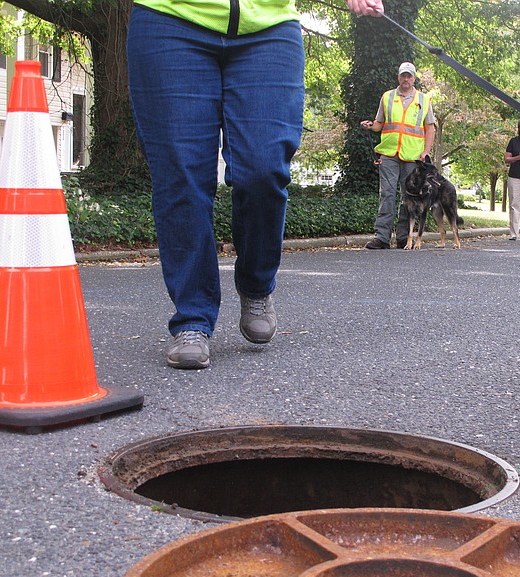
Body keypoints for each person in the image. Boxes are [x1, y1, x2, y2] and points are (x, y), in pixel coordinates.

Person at [128, 0, 385, 369]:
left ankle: (257, 285)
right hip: (170, 20)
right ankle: (192, 318)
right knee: (181, 176)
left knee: (264, 169)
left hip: (269, 25)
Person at [361, 62, 436, 249]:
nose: (406, 79)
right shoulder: (387, 97)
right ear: (398, 77)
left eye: (409, 76)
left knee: (408, 196)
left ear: (414, 78)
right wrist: (371, 126)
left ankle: (404, 237)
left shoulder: (424, 100)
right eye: (403, 75)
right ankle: (382, 237)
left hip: (413, 156)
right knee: (386, 194)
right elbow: (380, 123)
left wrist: (426, 152)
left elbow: (430, 128)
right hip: (389, 153)